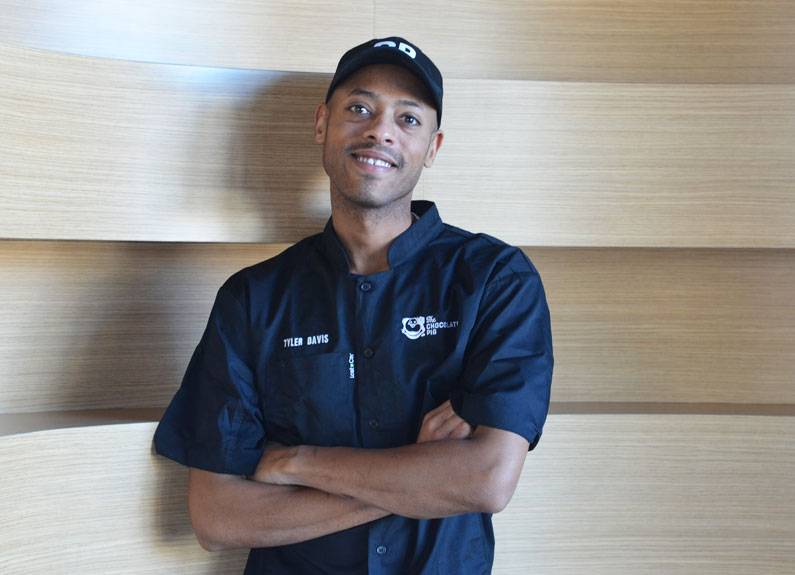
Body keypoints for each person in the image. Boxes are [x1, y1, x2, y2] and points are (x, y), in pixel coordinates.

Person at [154, 37, 553, 574]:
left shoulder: (495, 280)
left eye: (408, 119)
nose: (380, 130)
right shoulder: (253, 298)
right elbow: (218, 518)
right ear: (322, 124)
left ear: (433, 148)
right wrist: (424, 475)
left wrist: (295, 463)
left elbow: (486, 480)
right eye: (359, 108)